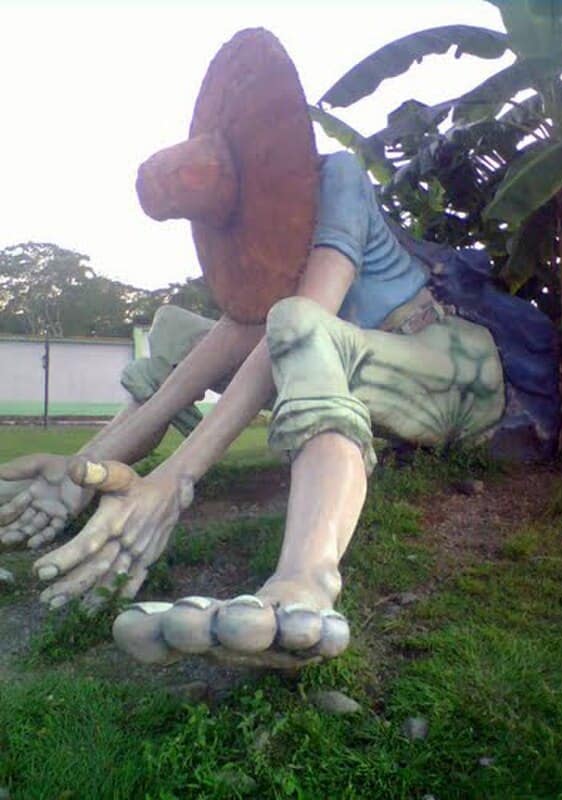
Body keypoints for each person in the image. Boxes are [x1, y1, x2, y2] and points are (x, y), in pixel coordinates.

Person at [0, 30, 520, 669]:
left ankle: (305, 587)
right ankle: (78, 489)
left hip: (450, 369)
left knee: (300, 323)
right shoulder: (260, 240)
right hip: (362, 356)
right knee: (176, 327)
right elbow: (241, 332)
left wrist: (177, 479)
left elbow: (298, 327)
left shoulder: (339, 178)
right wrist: (85, 465)